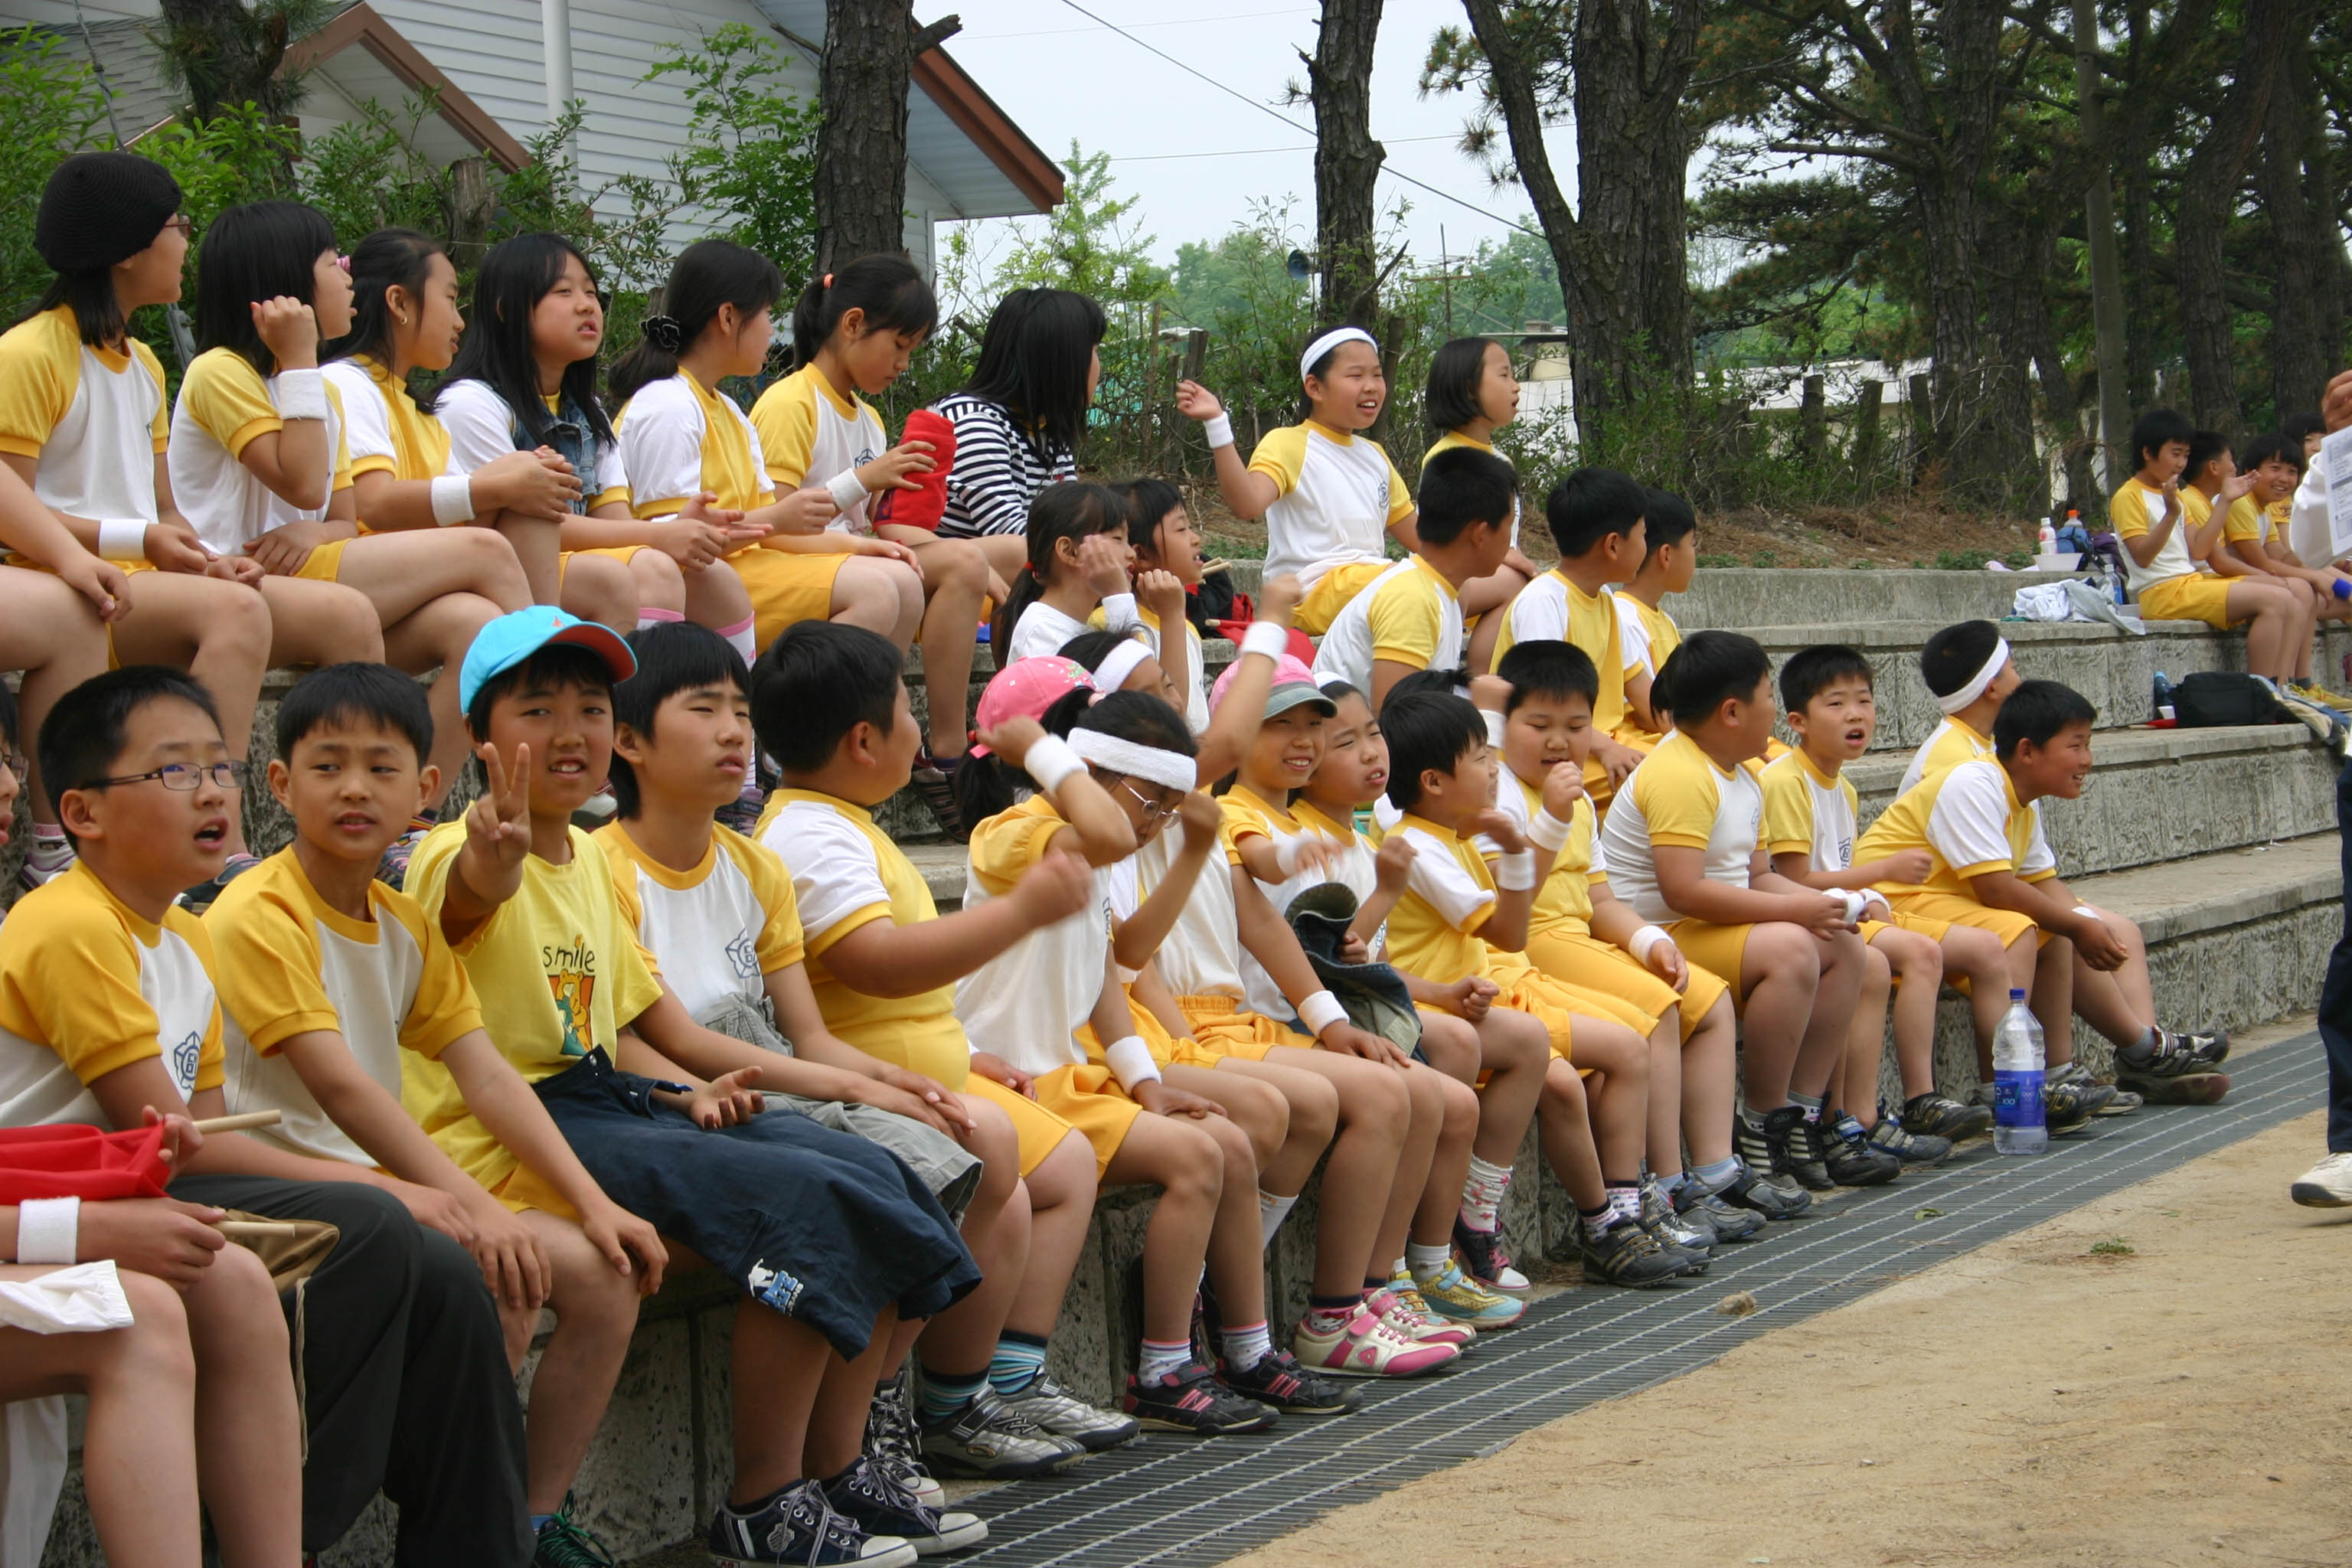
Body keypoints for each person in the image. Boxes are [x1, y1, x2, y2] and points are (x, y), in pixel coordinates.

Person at [401, 606, 983, 1564]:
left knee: (868, 1169)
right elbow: (465, 908)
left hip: (608, 1099)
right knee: (799, 1200)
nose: (570, 731)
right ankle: (760, 1503)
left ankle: (833, 1471)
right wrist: (485, 863)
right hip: (509, 1122)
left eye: (590, 707)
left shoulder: (585, 859)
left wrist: (687, 1094)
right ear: (478, 736)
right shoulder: (457, 851)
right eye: (536, 709)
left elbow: (629, 1027)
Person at [2, 663, 533, 1565]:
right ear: (82, 814)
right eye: (175, 772)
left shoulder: (185, 934)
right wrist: (394, 1189)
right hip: (61, 1209)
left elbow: (192, 1142)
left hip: (105, 1198)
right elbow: (182, 1142)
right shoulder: (73, 925)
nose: (212, 792)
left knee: (405, 1261)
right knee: (372, 1228)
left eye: (219, 768)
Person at [598, 622, 1093, 1508]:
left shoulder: (753, 863)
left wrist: (876, 1080)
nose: (731, 733)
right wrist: (851, 1081)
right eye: (703, 709)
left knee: (952, 1150)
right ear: (626, 741)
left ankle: (866, 1425)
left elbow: (806, 1035)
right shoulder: (603, 870)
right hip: (695, 1097)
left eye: (739, 712)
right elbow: (655, 1035)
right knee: (879, 1182)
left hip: (776, 1072)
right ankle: (828, 1459)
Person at [203, 662, 667, 1565]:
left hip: (375, 1195)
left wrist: (593, 1201)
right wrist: (469, 1204)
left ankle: (499, 1533)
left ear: (423, 787)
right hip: (280, 1191)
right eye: (327, 765)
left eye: (381, 768)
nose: (352, 789)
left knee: (561, 1268)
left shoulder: (398, 920)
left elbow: (487, 1073)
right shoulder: (258, 909)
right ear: (278, 782)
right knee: (474, 1267)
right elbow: (340, 1088)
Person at [750, 622, 1135, 1476]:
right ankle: (919, 1400)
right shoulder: (814, 835)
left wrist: (967, 1055)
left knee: (1062, 1164)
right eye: (907, 711)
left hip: (933, 1069)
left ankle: (987, 1383)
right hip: (862, 1086)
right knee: (994, 1158)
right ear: (863, 740)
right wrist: (1020, 912)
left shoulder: (843, 822)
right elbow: (873, 966)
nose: (921, 733)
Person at [951, 675, 1283, 1435]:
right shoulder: (1016, 830)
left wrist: (1146, 1082)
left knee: (1223, 1141)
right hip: (1008, 1075)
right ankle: (1048, 1371)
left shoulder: (1094, 853)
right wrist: (1038, 744)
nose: (1154, 823)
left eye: (1169, 807)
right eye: (1148, 801)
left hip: (1070, 1073)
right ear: (1091, 773)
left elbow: (1106, 978)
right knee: (1202, 1155)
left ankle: (1225, 1350)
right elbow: (1099, 830)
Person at [172, 200, 528, 844]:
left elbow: (339, 517)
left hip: (299, 570)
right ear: (284, 285)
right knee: (488, 551)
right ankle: (543, 727)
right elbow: (303, 480)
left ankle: (410, 823)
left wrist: (317, 530)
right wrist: (301, 362)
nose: (345, 273)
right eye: (328, 260)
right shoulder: (222, 371)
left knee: (475, 622)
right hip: (224, 575)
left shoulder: (318, 388)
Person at [1207, 653, 1506, 1343]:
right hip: (1260, 1020)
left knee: (1444, 1094)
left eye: (1316, 724)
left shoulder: (1325, 829)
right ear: (1233, 738)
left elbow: (1348, 957)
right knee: (1404, 1093)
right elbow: (1260, 862)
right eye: (1280, 725)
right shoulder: (1237, 815)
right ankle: (1340, 1306)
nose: (1303, 740)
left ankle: (1392, 1277)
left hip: (1305, 1015)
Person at [0, 152, 275, 887]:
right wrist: (135, 541)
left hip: (127, 578)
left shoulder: (146, 363)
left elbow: (161, 508)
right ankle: (200, 830)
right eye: (175, 225)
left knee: (303, 610)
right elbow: (12, 513)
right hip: (55, 576)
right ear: (128, 250)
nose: (187, 239)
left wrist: (204, 554)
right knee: (240, 617)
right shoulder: (29, 354)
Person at [1377, 691, 1694, 1287]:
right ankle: (1592, 1224)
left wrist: (1521, 845)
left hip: (1477, 998)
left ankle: (1609, 1216)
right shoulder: (1420, 845)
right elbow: (1509, 929)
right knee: (1606, 1057)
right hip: (1447, 1005)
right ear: (1434, 781)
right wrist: (1534, 837)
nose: (1493, 767)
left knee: (1604, 1058)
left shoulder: (1456, 839)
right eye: (1479, 757)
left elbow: (1509, 928)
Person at [1481, 642, 1797, 1236]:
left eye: (1577, 727)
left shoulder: (1572, 800)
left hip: (1579, 935)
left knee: (1708, 999)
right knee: (1659, 1009)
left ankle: (1714, 1168)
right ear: (1502, 727)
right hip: (1529, 943)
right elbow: (1512, 906)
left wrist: (1649, 940)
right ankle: (1670, 1185)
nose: (1559, 741)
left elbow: (1600, 900)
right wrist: (1548, 816)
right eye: (1538, 725)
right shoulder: (1498, 794)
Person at [1596, 631, 1893, 1193]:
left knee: (1846, 945)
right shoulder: (1680, 772)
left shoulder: (1745, 775)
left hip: (1708, 926)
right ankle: (1760, 1124)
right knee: (1791, 948)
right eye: (1766, 696)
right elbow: (1683, 891)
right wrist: (1800, 915)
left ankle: (1801, 1117)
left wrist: (1821, 906)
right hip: (1659, 932)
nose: (1774, 711)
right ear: (1731, 712)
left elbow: (1759, 877)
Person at [1856, 679, 2231, 1116]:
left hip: (1944, 903)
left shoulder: (2022, 798)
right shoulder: (1974, 782)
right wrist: (2075, 922)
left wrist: (2084, 922)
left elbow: (2042, 883)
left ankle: (2062, 1072)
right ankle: (2004, 1087)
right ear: (2029, 751)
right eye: (2076, 746)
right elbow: (1995, 889)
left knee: (2063, 926)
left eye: (2088, 745)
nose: (2087, 761)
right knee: (2025, 928)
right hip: (1895, 901)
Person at [751, 255, 996, 838]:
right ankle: (847, 737)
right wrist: (867, 488)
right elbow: (772, 524)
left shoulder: (867, 419)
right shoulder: (791, 404)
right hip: (798, 565)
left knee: (974, 560)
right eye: (900, 345)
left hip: (851, 557)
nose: (904, 364)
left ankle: (931, 746)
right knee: (913, 577)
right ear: (853, 324)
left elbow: (873, 527)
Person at [441, 232, 758, 651]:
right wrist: (659, 536)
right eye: (564, 291)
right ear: (506, 311)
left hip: (567, 561)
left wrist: (680, 529)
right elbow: (520, 528)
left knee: (712, 577)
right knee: (654, 569)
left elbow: (615, 525)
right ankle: (633, 709)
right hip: (506, 569)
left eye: (591, 292)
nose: (587, 305)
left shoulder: (585, 409)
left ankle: (731, 708)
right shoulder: (472, 403)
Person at [607, 240, 923, 655]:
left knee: (901, 581)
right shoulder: (667, 406)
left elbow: (769, 534)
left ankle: (866, 714)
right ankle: (790, 715)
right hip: (706, 582)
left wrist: (859, 544)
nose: (773, 330)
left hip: (742, 566)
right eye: (767, 315)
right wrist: (780, 517)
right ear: (727, 317)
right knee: (876, 593)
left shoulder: (731, 413)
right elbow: (673, 547)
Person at [321, 229, 632, 627]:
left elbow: (461, 511)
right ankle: (542, 651)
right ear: (399, 302)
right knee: (511, 513)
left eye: (591, 293)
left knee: (526, 496)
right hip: (366, 564)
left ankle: (542, 657)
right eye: (450, 301)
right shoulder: (347, 381)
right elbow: (375, 505)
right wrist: (502, 487)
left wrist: (520, 479)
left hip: (414, 563)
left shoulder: (420, 410)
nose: (459, 321)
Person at [1762, 645, 1997, 1154]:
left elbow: (1829, 874)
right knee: (1909, 954)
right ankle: (1881, 1109)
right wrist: (1879, 876)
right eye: (1837, 704)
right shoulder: (1785, 781)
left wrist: (1865, 893)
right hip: (1799, 918)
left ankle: (1883, 1109)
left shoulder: (1841, 787)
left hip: (1832, 914)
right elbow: (1795, 878)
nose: (1856, 715)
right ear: (1797, 721)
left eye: (1864, 701)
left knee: (1911, 953)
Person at [1177, 328, 1418, 635]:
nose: (1371, 387)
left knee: (1468, 586)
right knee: (1412, 585)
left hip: (1373, 585)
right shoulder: (1288, 443)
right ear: (1315, 388)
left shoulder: (1376, 456)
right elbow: (1246, 504)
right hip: (1309, 593)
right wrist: (1217, 424)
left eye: (1377, 375)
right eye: (1356, 376)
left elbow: (1421, 539)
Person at [2111, 408, 2308, 689]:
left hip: (2189, 582)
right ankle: (2264, 691)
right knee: (2276, 600)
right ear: (2148, 452)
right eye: (2175, 453)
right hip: (2162, 593)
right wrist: (2169, 515)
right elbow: (2142, 557)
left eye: (2186, 455)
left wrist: (2225, 501)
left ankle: (2284, 687)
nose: (2181, 463)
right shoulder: (2128, 496)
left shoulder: (2173, 495)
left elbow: (2200, 551)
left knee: (2288, 593)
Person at [1491, 467, 1650, 807]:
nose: (1645, 547)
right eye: (1643, 535)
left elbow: (1642, 689)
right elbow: (1544, 705)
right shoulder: (1544, 600)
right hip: (1556, 753)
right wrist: (1607, 748)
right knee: (1663, 784)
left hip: (1602, 742)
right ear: (1613, 545)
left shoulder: (1606, 600)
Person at [1311, 444, 1514, 707]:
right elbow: (1397, 723)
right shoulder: (1413, 600)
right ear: (1481, 534)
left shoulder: (1442, 592)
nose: (1510, 540)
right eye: (1509, 525)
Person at [929, 287, 1102, 584]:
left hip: (998, 581)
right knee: (1026, 551)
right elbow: (1013, 534)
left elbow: (1069, 522)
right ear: (1060, 361)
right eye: (1095, 351)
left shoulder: (1047, 431)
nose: (1099, 365)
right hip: (949, 586)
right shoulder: (975, 423)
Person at [1421, 335, 1540, 672]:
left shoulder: (1498, 459)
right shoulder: (1449, 458)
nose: (1515, 387)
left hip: (1488, 573)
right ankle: (1480, 677)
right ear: (1470, 389)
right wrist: (1516, 562)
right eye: (1504, 376)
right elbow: (1455, 536)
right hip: (1453, 576)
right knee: (1519, 584)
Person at [1112, 478, 1214, 733]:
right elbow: (1169, 719)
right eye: (1181, 529)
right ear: (1141, 554)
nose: (1196, 539)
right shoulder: (1118, 624)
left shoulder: (1184, 625)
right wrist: (1172, 618)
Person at [1614, 487, 1700, 750]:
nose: (1695, 554)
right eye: (1693, 544)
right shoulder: (1623, 616)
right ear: (1666, 554)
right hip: (1642, 745)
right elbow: (1654, 714)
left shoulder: (1664, 621)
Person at [1901, 620, 2019, 794]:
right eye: (2014, 668)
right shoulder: (1956, 766)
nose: (2019, 680)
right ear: (1992, 688)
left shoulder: (1983, 744)